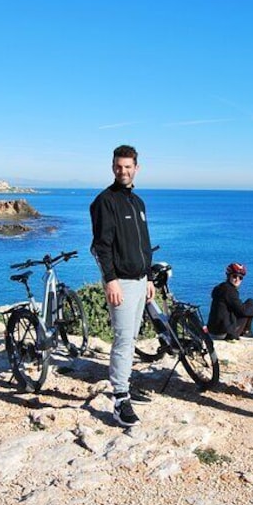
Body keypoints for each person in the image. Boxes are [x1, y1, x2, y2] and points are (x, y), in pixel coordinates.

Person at [90, 144, 155, 427]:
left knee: (132, 338)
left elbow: (143, 243)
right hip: (122, 284)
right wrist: (110, 280)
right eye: (119, 166)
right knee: (123, 339)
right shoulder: (105, 201)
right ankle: (119, 398)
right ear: (112, 167)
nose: (123, 171)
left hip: (140, 281)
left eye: (128, 167)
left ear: (136, 168)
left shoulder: (137, 203)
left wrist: (149, 277)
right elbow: (101, 247)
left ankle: (125, 385)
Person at [207, 262, 253, 340]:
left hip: (213, 331)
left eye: (240, 278)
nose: (237, 279)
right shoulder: (230, 291)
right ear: (229, 276)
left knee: (250, 302)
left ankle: (246, 331)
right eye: (234, 276)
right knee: (250, 306)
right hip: (224, 334)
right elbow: (243, 311)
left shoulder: (220, 287)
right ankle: (246, 332)